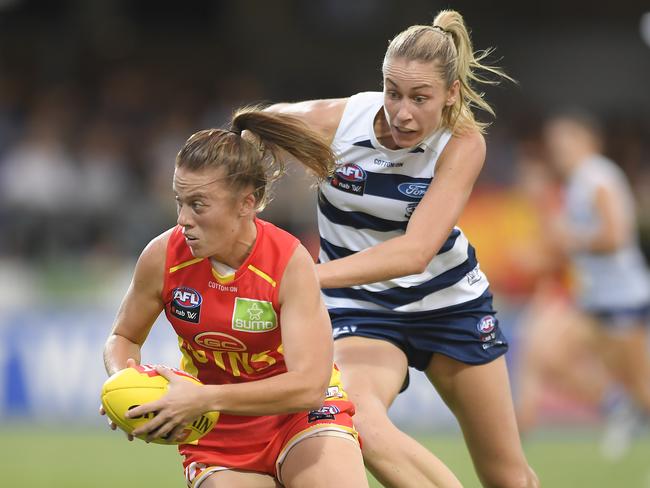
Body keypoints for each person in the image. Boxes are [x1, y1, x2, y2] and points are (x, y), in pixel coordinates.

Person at [266, 9, 539, 488]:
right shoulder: (336, 122)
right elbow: (255, 126)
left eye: (420, 97)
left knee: (507, 476)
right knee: (358, 422)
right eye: (393, 93)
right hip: (362, 307)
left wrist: (305, 275)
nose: (403, 112)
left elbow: (414, 253)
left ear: (451, 94)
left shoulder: (463, 143)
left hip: (449, 303)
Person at [101, 107, 371, 488]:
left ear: (247, 202)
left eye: (198, 204)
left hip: (301, 415)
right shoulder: (162, 256)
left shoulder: (289, 263)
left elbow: (309, 386)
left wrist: (203, 397)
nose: (182, 219)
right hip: (215, 430)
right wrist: (125, 383)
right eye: (179, 200)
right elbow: (123, 337)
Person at [542, 110, 650, 458]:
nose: (558, 150)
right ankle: (618, 406)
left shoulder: (597, 177)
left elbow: (616, 236)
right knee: (552, 357)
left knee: (642, 387)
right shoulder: (576, 182)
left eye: (565, 141)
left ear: (587, 140)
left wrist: (571, 239)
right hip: (594, 300)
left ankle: (628, 407)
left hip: (623, 300)